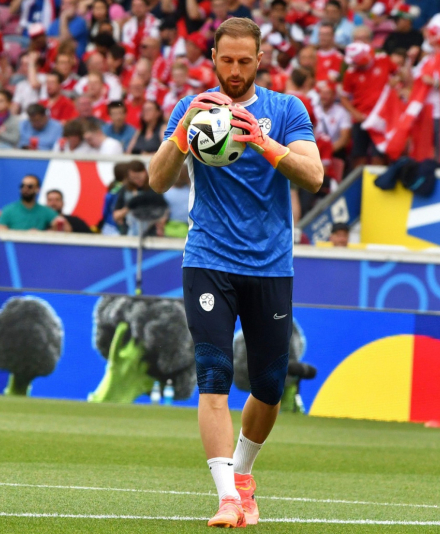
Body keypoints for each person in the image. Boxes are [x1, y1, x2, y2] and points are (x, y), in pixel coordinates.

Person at [147, 17, 322, 528]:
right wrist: (184, 131)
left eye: (245, 61)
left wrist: (263, 142)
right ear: (214, 58)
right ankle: (227, 498)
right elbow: (158, 180)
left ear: (260, 59)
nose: (236, 70)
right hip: (208, 260)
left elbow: (314, 176)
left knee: (268, 386)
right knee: (214, 375)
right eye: (227, 60)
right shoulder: (192, 108)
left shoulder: (286, 109)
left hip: (270, 265)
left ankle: (242, 474)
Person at [0, 174, 64, 230]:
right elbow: (0, 231)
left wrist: (42, 234)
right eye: (22, 186)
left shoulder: (45, 211)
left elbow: (63, 227)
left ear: (38, 189)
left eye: (30, 186)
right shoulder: (9, 210)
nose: (25, 189)